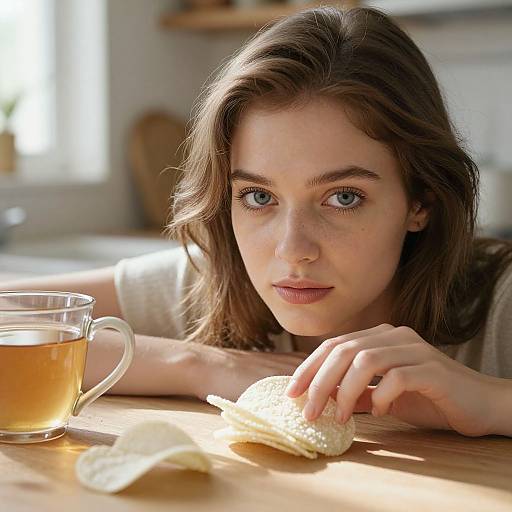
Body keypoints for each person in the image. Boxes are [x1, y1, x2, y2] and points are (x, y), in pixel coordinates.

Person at [3, 6, 512, 437]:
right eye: (258, 196)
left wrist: (491, 402)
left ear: (421, 201)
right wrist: (204, 364)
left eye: (343, 197)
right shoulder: (212, 281)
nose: (292, 250)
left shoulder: (499, 304)